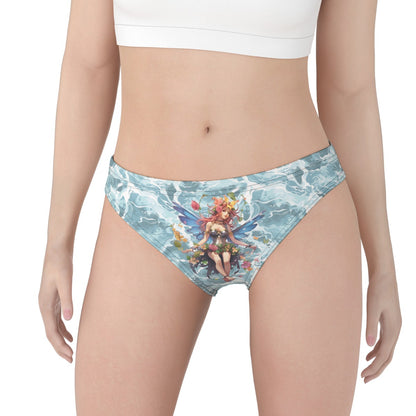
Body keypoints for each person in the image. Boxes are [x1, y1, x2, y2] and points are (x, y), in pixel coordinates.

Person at [38, 0, 402, 414]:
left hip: (296, 203)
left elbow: (349, 90)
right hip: (147, 209)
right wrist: (58, 243)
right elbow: (88, 67)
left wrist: (383, 266)